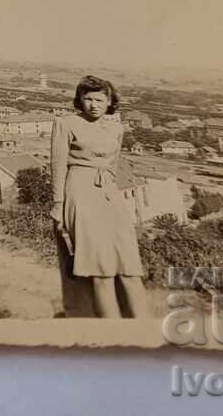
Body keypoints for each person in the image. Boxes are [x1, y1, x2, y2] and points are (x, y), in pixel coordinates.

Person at [50, 75, 148, 318]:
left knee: (130, 270)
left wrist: (112, 193)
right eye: (88, 99)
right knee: (101, 271)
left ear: (109, 101)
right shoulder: (66, 123)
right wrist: (58, 204)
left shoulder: (117, 127)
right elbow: (58, 166)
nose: (93, 104)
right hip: (80, 192)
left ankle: (146, 333)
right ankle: (112, 336)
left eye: (100, 99)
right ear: (80, 100)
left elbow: (113, 166)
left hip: (109, 192)